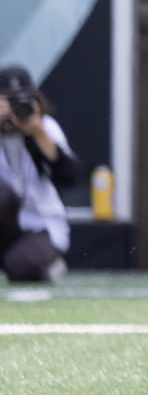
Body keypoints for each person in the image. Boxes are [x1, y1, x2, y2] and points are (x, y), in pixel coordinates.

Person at [0, 65, 76, 284]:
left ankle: (48, 265)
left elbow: (69, 176)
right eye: (7, 100)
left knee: (20, 267)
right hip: (4, 224)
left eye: (18, 101)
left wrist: (37, 131)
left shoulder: (46, 128)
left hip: (39, 226)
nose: (13, 108)